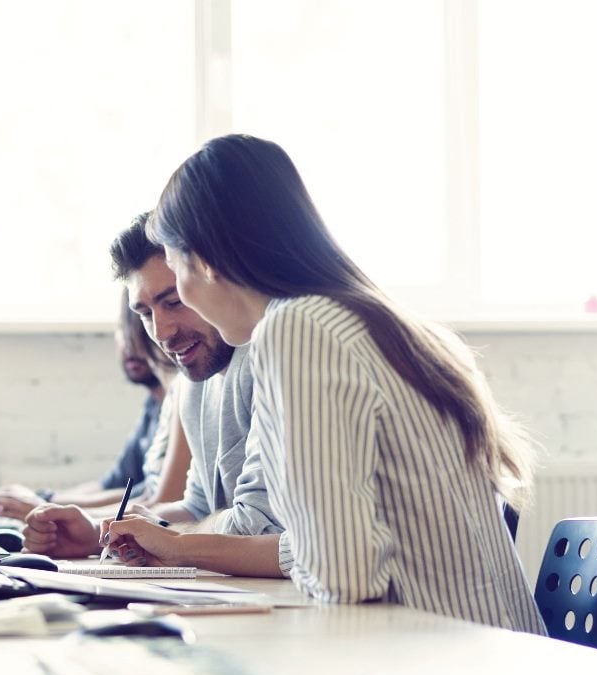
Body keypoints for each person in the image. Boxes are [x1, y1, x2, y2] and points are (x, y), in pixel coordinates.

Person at [107, 133, 542, 634]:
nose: (162, 325)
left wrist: (187, 545)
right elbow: (339, 551)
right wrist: (179, 546)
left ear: (202, 259)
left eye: (175, 270)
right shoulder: (354, 317)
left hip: (442, 662)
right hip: (473, 648)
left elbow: (344, 577)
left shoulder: (298, 329)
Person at [23, 213, 284, 573]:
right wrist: (105, 532)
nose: (160, 332)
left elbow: (257, 525)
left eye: (173, 302)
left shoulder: (268, 357)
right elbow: (196, 507)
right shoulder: (195, 382)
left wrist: (168, 537)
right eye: (145, 312)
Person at [0, 287, 191, 519]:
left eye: (127, 329)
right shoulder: (161, 404)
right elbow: (135, 492)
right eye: (142, 316)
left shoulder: (184, 391)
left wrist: (46, 508)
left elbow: (166, 501)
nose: (127, 345)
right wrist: (46, 503)